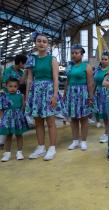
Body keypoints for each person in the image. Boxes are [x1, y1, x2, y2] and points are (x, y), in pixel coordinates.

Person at [26, 32, 64, 161]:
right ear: (35, 43)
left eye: (44, 41)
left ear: (48, 45)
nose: (41, 43)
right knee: (38, 121)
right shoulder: (31, 59)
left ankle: (52, 148)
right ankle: (41, 147)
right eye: (39, 41)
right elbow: (29, 79)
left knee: (50, 121)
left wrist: (54, 96)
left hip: (48, 92)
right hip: (35, 92)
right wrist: (27, 97)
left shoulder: (52, 59)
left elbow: (55, 79)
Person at [64, 44, 95, 151]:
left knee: (83, 118)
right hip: (71, 94)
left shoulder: (87, 66)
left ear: (81, 55)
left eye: (76, 53)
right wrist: (64, 94)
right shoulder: (70, 66)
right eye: (72, 53)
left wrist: (90, 97)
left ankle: (83, 141)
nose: (74, 55)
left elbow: (90, 83)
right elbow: (67, 81)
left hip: (83, 94)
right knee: (73, 118)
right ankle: (75, 141)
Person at [0, 78, 28, 162]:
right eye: (10, 86)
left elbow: (23, 107)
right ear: (6, 86)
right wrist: (2, 119)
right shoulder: (4, 96)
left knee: (19, 135)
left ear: (18, 87)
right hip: (7, 119)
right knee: (8, 136)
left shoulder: (20, 96)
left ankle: (19, 152)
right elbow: (1, 108)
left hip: (18, 118)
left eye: (15, 86)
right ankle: (7, 153)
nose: (12, 88)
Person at [94, 51, 109, 143]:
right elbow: (94, 82)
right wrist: (91, 94)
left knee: (108, 114)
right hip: (98, 93)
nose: (103, 61)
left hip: (107, 93)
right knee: (103, 114)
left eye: (106, 59)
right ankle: (107, 132)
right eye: (102, 59)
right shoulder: (97, 69)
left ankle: (108, 133)